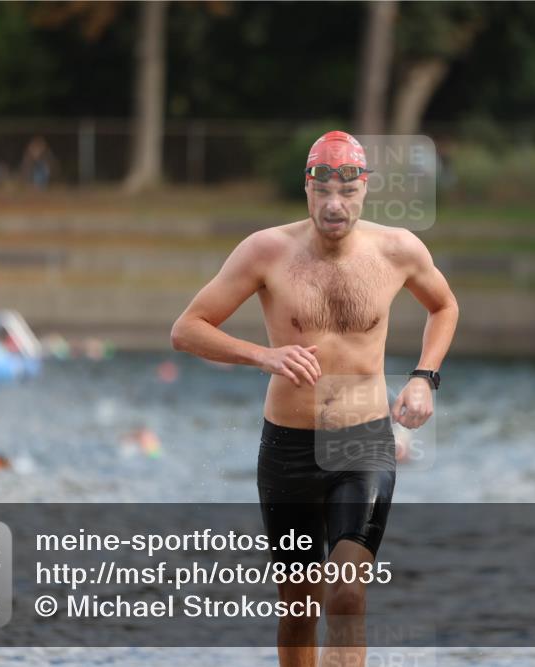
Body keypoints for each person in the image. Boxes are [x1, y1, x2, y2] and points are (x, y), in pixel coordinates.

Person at [170, 130, 458, 667]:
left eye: (346, 192)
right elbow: (187, 329)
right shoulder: (266, 250)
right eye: (323, 191)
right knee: (299, 607)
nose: (334, 205)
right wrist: (264, 355)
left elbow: (444, 307)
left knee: (346, 595)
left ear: (364, 189)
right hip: (288, 448)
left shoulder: (398, 250)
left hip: (363, 443)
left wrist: (424, 377)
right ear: (307, 188)